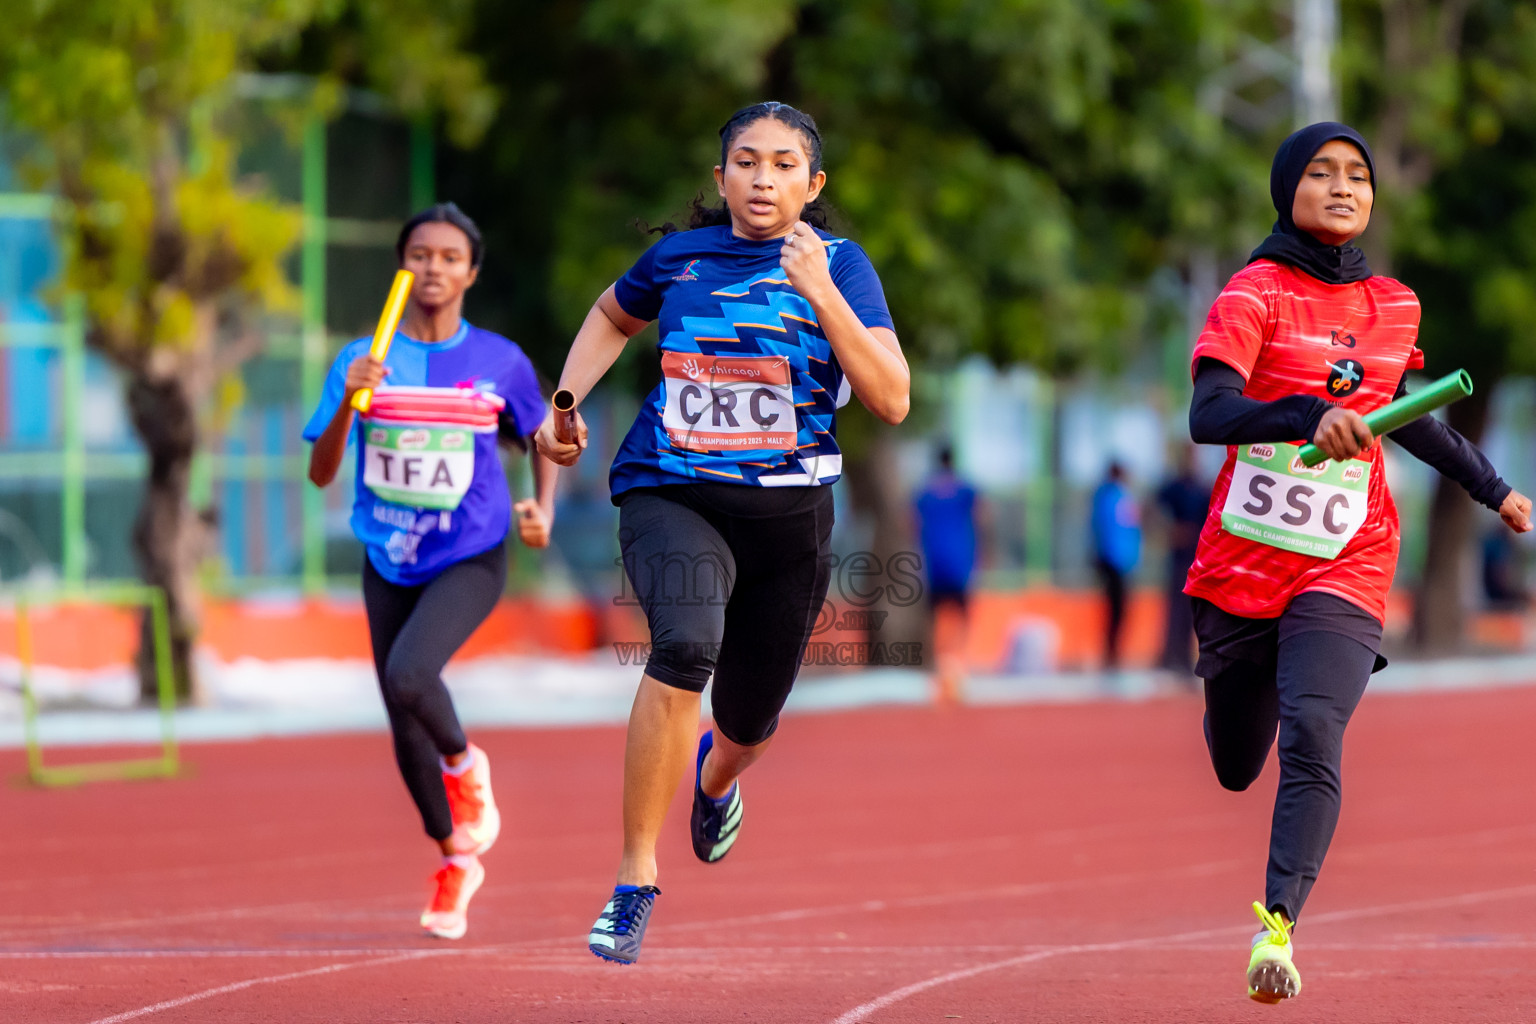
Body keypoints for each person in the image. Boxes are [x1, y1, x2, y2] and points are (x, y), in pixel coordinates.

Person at [534, 101, 907, 964]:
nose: (762, 179)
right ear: (721, 177)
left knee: (748, 723)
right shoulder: (679, 258)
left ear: (813, 185)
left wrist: (818, 293)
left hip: (789, 523)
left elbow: (891, 398)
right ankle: (634, 879)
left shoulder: (844, 268)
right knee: (684, 648)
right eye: (746, 162)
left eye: (783, 165)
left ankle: (715, 777)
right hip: (674, 491)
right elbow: (609, 317)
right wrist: (566, 403)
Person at [1184, 122, 1532, 1003]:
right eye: (1322, 174)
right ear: (1285, 189)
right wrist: (1306, 414)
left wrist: (1494, 490)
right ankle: (1240, 676)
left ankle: (1278, 928)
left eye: (1358, 177)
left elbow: (1408, 417)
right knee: (1235, 761)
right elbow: (1211, 412)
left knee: (1314, 729)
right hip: (1242, 567)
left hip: (1349, 556)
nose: (1343, 188)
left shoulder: (1397, 304)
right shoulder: (1252, 294)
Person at [304, 203, 557, 940]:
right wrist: (352, 400)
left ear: (470, 272)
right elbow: (322, 472)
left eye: (450, 257)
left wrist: (539, 505)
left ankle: (465, 764)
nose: (434, 268)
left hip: (469, 552)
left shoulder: (500, 361)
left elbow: (544, 436)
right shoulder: (361, 359)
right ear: (402, 267)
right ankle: (455, 859)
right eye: (420, 255)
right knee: (399, 715)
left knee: (411, 675)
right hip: (388, 554)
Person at [914, 444, 982, 702]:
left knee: (933, 618)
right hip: (960, 562)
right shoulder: (966, 490)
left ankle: (936, 669)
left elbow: (911, 521)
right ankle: (960, 669)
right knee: (963, 617)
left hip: (933, 562)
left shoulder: (925, 492)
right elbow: (982, 518)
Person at [1155, 445, 1210, 674]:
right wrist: (1169, 532)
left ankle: (1186, 658)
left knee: (1191, 611)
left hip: (1197, 558)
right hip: (1179, 558)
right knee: (1174, 608)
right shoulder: (1173, 488)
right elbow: (1153, 511)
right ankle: (1170, 656)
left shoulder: (1204, 488)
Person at [1090, 461, 1141, 668]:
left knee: (1118, 611)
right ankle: (1111, 654)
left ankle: (1113, 653)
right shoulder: (1113, 497)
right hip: (1116, 562)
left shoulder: (1115, 496)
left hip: (1120, 561)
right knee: (1116, 610)